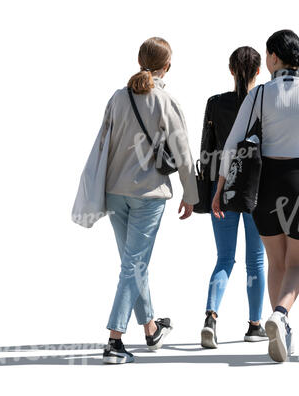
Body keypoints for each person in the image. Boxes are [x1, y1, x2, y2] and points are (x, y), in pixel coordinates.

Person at [212, 29, 299, 362]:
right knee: (298, 263)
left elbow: (233, 142)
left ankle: (278, 330)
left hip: (264, 183)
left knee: (276, 261)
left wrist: (221, 186)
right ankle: (280, 316)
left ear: (274, 57)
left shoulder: (260, 94)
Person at [99, 37, 199, 364]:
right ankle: (114, 341)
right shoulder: (165, 101)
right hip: (149, 195)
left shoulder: (117, 98)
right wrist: (191, 193)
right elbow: (183, 153)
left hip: (115, 193)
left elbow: (103, 146)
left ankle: (151, 328)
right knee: (133, 265)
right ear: (166, 66)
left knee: (132, 264)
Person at [198, 47, 267, 349]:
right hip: (256, 187)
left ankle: (210, 319)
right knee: (256, 260)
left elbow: (206, 150)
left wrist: (207, 189)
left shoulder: (215, 103)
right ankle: (254, 325)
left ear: (230, 70)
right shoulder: (265, 103)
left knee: (224, 257)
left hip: (221, 186)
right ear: (259, 72)